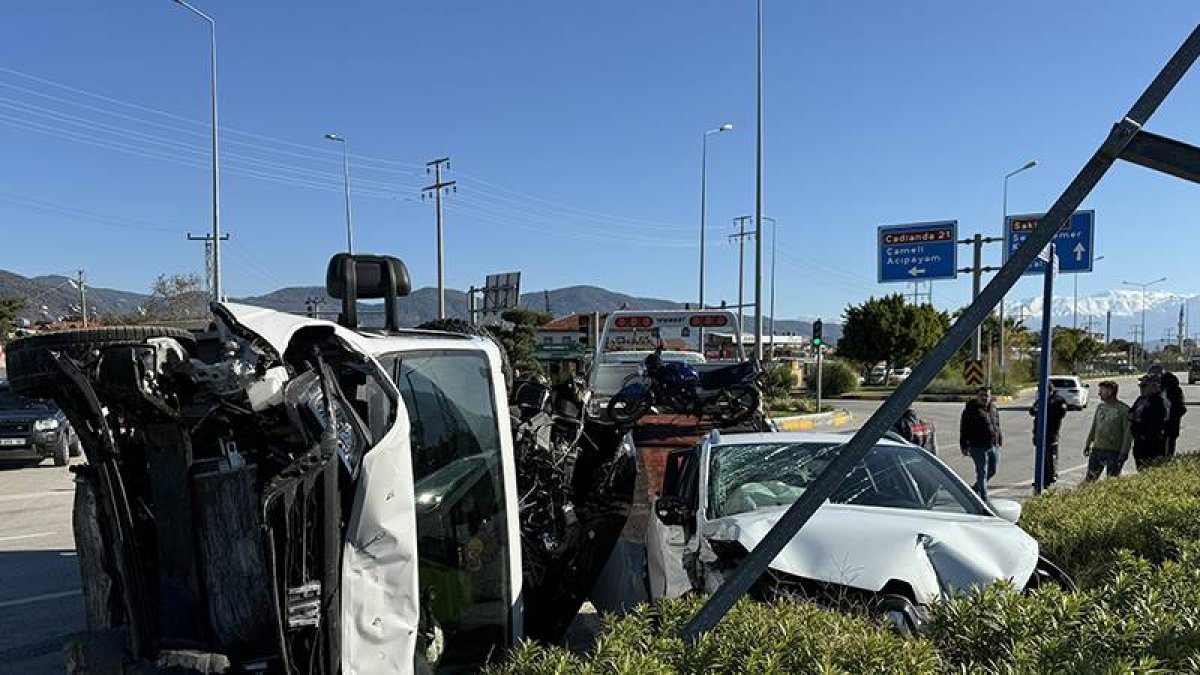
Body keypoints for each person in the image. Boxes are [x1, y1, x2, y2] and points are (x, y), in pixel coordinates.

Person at [1083, 380, 1133, 481]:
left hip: (1114, 451)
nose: (1099, 393)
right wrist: (1088, 443)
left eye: (1102, 390)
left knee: (1112, 479)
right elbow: (1094, 427)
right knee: (1090, 479)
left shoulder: (1123, 410)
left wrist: (1124, 452)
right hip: (1097, 449)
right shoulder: (1100, 407)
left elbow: (1127, 434)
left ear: (1110, 392)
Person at [960, 387, 1002, 501]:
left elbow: (997, 425)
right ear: (977, 396)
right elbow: (964, 429)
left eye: (987, 395)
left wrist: (999, 440)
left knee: (992, 471)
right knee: (982, 473)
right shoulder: (970, 410)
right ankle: (983, 499)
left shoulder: (993, 408)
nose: (984, 398)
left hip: (994, 445)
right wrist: (964, 446)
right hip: (978, 447)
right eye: (982, 395)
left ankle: (976, 488)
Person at [1029, 383, 1068, 487]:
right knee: (1041, 457)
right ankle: (1041, 478)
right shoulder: (1041, 400)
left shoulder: (1058, 400)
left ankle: (1051, 477)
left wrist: (1046, 410)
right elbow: (1032, 411)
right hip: (1039, 433)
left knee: (1050, 457)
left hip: (1051, 434)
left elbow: (1061, 413)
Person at [1130, 374, 1170, 471]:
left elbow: (1158, 422)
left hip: (1153, 442)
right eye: (1141, 386)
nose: (1141, 388)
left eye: (1144, 386)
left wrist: (1140, 422)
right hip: (1139, 442)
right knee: (1140, 467)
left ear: (1154, 386)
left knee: (1151, 468)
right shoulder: (1140, 400)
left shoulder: (1159, 401)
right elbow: (1131, 413)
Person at [1161, 371, 1187, 457]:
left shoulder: (1175, 392)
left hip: (1169, 428)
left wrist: (1170, 419)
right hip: (1158, 429)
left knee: (1167, 452)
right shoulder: (1158, 392)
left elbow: (1181, 408)